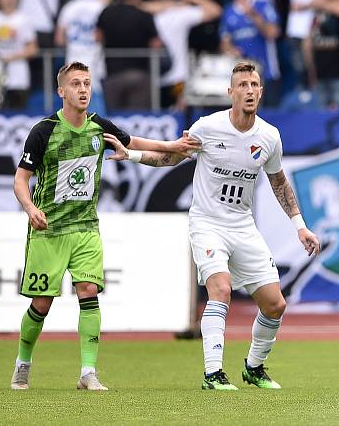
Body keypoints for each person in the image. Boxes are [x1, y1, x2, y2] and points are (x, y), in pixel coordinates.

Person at [106, 61, 320, 390]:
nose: (249, 90)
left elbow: (279, 183)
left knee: (275, 304)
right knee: (220, 289)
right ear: (230, 92)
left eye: (254, 85)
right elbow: (170, 157)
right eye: (243, 85)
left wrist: (300, 226)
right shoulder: (207, 127)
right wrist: (132, 156)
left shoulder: (269, 136)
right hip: (207, 224)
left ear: (261, 92)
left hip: (243, 227)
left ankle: (254, 366)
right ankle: (212, 374)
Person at [10, 61, 198, 391]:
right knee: (41, 304)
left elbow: (134, 141)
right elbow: (21, 179)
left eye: (87, 83)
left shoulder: (99, 126)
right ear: (61, 92)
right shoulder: (43, 131)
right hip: (49, 231)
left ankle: (88, 372)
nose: (83, 89)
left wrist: (172, 146)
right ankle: (23, 362)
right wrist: (30, 207)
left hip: (86, 229)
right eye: (76, 84)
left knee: (89, 292)